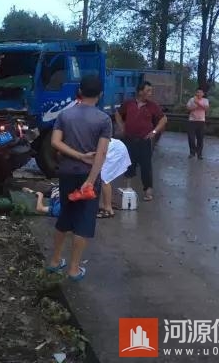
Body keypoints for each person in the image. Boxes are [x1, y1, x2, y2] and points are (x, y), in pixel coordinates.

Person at [46, 76, 111, 282]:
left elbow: (55, 142)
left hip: (66, 172)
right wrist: (91, 180)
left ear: (80, 91)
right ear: (100, 94)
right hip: (87, 176)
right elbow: (100, 154)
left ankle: (55, 261)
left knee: (65, 215)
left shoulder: (65, 115)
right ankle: (74, 269)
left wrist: (77, 155)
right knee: (83, 221)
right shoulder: (103, 119)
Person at [115, 81, 167, 202]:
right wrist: (121, 126)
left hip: (145, 140)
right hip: (129, 139)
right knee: (128, 164)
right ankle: (127, 189)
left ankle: (148, 191)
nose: (150, 93)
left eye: (151, 91)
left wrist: (154, 132)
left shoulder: (153, 106)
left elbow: (163, 119)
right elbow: (117, 113)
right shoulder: (129, 103)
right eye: (148, 90)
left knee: (146, 166)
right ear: (140, 91)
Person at [186, 88, 210, 160]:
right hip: (192, 121)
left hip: (201, 121)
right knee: (191, 138)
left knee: (200, 138)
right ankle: (192, 152)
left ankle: (199, 154)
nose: (199, 94)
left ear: (203, 94)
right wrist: (195, 106)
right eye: (197, 92)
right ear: (196, 93)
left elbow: (206, 108)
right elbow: (188, 108)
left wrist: (198, 103)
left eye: (200, 92)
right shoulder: (191, 99)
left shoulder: (205, 100)